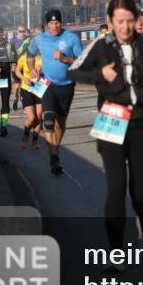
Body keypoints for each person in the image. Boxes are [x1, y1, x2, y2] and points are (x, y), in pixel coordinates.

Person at [69, 0, 143, 267]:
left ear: (136, 19)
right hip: (112, 120)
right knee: (116, 190)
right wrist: (100, 75)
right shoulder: (101, 46)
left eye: (130, 21)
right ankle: (115, 254)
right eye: (120, 21)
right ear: (110, 22)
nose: (126, 27)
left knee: (140, 194)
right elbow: (74, 71)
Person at [28, 9, 84, 175]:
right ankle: (53, 157)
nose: (55, 26)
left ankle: (55, 150)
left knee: (61, 124)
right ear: (47, 25)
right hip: (47, 83)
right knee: (48, 120)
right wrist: (32, 69)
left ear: (61, 23)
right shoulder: (40, 38)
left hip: (67, 85)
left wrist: (64, 58)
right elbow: (29, 54)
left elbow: (82, 61)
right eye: (51, 23)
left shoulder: (71, 38)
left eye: (57, 22)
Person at [13, 48, 44, 149]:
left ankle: (35, 139)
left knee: (39, 116)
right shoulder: (24, 57)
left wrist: (42, 70)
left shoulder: (44, 58)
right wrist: (24, 79)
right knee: (31, 118)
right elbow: (17, 71)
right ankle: (26, 135)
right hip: (27, 88)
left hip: (40, 88)